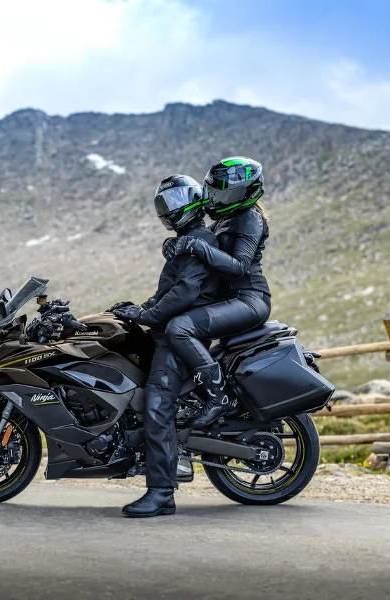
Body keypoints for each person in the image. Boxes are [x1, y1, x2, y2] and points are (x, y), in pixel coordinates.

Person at [109, 174, 221, 518]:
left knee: (157, 403)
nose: (170, 210)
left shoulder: (198, 241)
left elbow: (186, 292)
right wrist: (139, 309)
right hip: (170, 331)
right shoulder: (187, 242)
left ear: (193, 202)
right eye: (164, 204)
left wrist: (148, 314)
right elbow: (169, 290)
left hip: (180, 337)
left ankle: (161, 493)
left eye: (175, 202)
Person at [165, 157, 272, 428]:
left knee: (179, 328)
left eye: (223, 193)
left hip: (249, 300)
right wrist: (175, 244)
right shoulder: (224, 220)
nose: (215, 199)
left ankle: (218, 398)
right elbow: (204, 250)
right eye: (213, 191)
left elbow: (238, 266)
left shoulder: (250, 218)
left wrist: (194, 246)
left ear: (244, 192)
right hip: (230, 302)